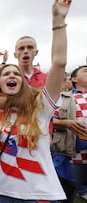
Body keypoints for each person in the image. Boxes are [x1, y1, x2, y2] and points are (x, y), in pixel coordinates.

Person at [0, 0, 70, 202]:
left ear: (23, 83)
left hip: (41, 195)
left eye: (15, 73)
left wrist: (58, 20)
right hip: (0, 195)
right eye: (6, 74)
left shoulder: (40, 107)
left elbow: (59, 63)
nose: (11, 76)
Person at [52, 65, 87, 201]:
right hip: (73, 158)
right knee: (66, 195)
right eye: (85, 71)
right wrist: (66, 123)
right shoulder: (63, 98)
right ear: (73, 79)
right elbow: (47, 120)